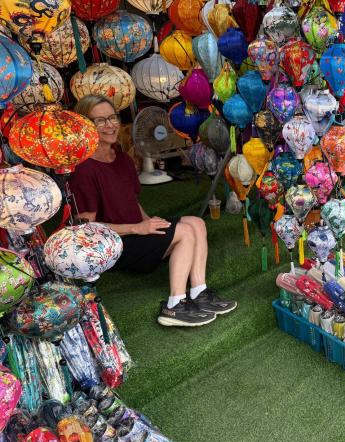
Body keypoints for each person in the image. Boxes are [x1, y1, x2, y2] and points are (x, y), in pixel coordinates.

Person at [69, 95, 237, 328]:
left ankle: (199, 291)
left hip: (138, 231)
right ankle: (174, 305)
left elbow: (130, 200)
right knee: (185, 232)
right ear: (85, 125)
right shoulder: (83, 169)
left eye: (112, 117)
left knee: (197, 223)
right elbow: (84, 228)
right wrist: (137, 228)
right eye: (100, 121)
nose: (110, 125)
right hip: (116, 244)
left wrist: (148, 221)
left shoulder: (121, 158)